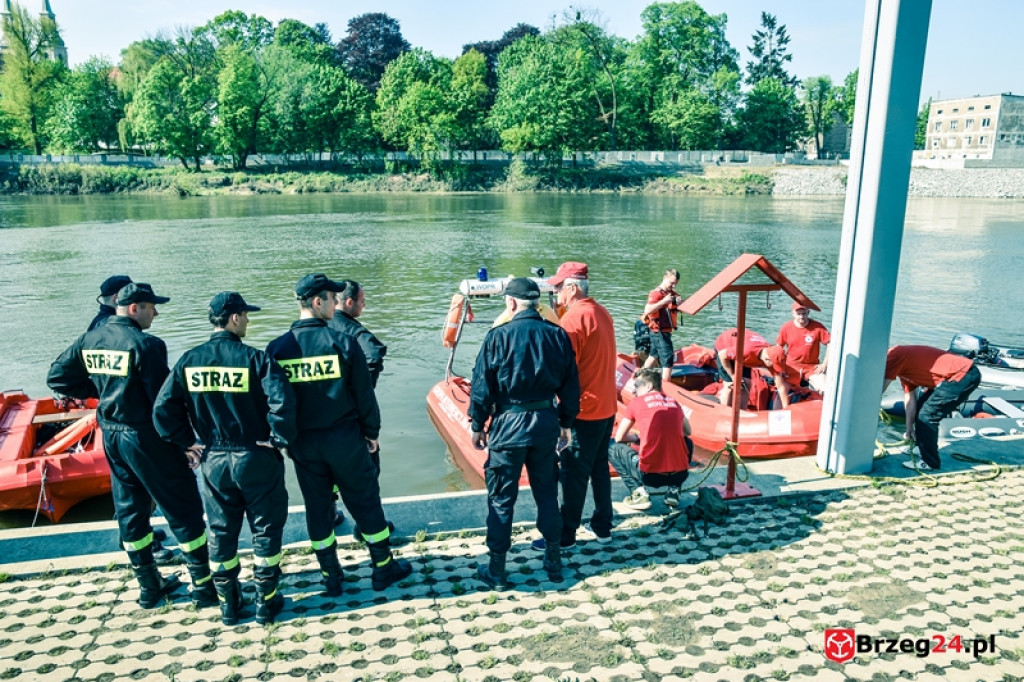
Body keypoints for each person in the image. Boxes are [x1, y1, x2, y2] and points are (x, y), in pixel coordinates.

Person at [47, 282, 213, 611]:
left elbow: (58, 377)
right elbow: (162, 404)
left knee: (131, 510)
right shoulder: (147, 345)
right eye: (152, 306)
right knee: (183, 508)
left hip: (111, 435)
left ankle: (150, 588)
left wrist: (100, 388)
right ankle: (204, 588)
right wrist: (186, 443)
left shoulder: (90, 338)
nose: (157, 312)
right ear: (134, 308)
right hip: (145, 436)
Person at [153, 292, 298, 626]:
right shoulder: (255, 360)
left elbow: (162, 409)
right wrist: (278, 440)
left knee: (221, 532)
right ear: (234, 318)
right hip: (255, 455)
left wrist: (187, 442)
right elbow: (283, 402)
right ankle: (266, 603)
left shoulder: (189, 361)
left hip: (214, 459)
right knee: (265, 528)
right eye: (245, 315)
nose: (247, 320)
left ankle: (229, 606)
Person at [267, 274, 411, 596]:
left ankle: (331, 576)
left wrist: (285, 441)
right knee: (365, 501)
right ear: (317, 302)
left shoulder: (277, 349)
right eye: (331, 299)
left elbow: (276, 403)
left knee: (318, 509)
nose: (336, 304)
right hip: (344, 439)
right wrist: (371, 433)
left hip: (304, 445)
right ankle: (382, 568)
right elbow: (364, 396)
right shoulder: (343, 343)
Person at [469, 277, 580, 590]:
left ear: (511, 303)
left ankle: (497, 570)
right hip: (545, 423)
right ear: (537, 304)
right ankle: (554, 562)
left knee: (502, 499)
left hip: (508, 425)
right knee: (547, 492)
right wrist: (566, 423)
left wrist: (477, 425)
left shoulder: (497, 337)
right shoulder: (558, 335)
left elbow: (481, 387)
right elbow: (571, 385)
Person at [536, 261, 617, 549]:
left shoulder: (573, 320)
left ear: (572, 287)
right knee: (598, 468)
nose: (556, 292)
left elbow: (563, 371)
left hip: (585, 410)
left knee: (573, 472)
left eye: (559, 287)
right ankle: (603, 525)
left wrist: (560, 414)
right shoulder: (602, 312)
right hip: (607, 406)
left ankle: (565, 534)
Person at [883, 345, 981, 472]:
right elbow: (910, 400)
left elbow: (879, 389)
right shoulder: (903, 371)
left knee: (927, 415)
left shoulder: (893, 357)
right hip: (952, 377)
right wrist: (909, 428)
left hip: (963, 374)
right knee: (922, 407)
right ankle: (921, 447)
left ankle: (930, 462)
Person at [609, 368, 692, 510]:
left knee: (612, 448)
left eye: (636, 386)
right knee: (688, 443)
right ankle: (674, 490)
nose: (633, 391)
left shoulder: (636, 403)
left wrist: (635, 437)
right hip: (680, 474)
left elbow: (619, 437)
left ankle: (638, 492)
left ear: (649, 386)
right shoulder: (674, 402)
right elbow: (688, 431)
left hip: (650, 476)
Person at [714, 328, 791, 409]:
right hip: (724, 348)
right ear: (767, 360)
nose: (773, 368)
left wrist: (786, 409)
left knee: (746, 384)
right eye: (773, 365)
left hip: (744, 353)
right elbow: (722, 355)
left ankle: (742, 410)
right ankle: (723, 409)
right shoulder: (746, 351)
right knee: (730, 385)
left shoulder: (773, 355)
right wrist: (733, 375)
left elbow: (781, 387)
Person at [777, 302, 830, 393]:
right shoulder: (786, 327)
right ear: (793, 313)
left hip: (811, 368)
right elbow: (778, 348)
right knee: (781, 390)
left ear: (808, 313)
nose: (801, 316)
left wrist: (824, 365)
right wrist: (780, 367)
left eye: (804, 313)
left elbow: (830, 344)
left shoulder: (818, 327)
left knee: (825, 388)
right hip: (791, 367)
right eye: (798, 314)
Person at [642, 269, 683, 383]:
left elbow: (677, 304)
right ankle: (666, 384)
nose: (673, 285)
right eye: (671, 283)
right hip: (659, 332)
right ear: (665, 278)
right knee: (668, 359)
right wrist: (663, 301)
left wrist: (680, 302)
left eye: (676, 283)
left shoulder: (672, 294)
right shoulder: (656, 293)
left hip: (663, 332)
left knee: (653, 355)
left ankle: (640, 376)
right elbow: (647, 310)